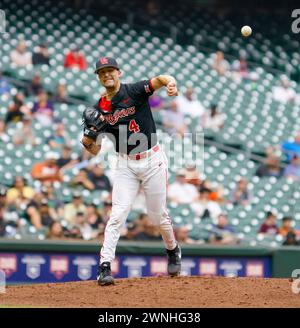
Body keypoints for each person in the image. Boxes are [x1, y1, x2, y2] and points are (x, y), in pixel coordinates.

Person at [81, 57, 181, 285]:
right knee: (117, 215)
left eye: (110, 70)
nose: (107, 74)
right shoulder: (100, 108)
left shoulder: (134, 91)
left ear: (119, 72)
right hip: (125, 163)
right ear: (98, 77)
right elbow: (93, 150)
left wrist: (171, 83)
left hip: (152, 160)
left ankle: (172, 249)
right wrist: (90, 135)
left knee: (157, 216)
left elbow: (160, 79)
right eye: (102, 72)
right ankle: (104, 267)